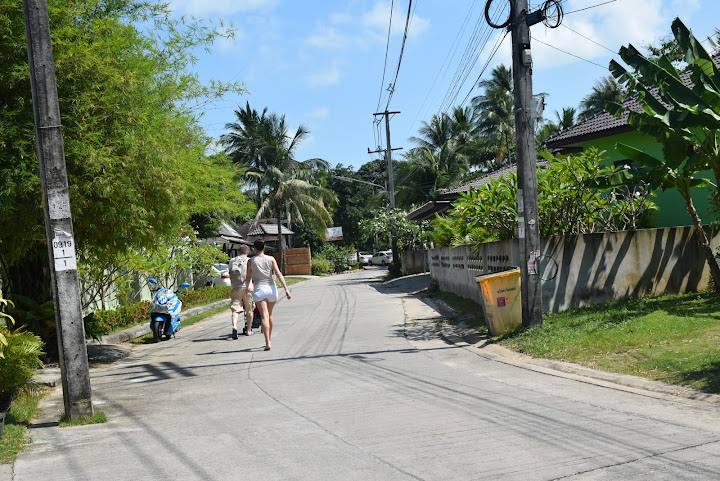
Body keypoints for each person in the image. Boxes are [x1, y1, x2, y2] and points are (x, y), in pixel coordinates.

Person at [245, 240, 291, 351]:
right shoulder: (271, 259)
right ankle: (269, 339)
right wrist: (286, 289)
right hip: (271, 289)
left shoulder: (251, 261)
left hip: (260, 289)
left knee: (264, 316)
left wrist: (247, 288)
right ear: (264, 247)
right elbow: (278, 274)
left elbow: (248, 276)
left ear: (254, 248)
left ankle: (267, 343)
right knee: (269, 315)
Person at [228, 244, 254, 339]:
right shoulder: (249, 261)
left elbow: (230, 273)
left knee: (235, 309)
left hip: (235, 288)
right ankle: (248, 330)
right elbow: (252, 274)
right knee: (249, 309)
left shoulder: (232, 260)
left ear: (239, 252)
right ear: (247, 252)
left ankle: (234, 326)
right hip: (247, 288)